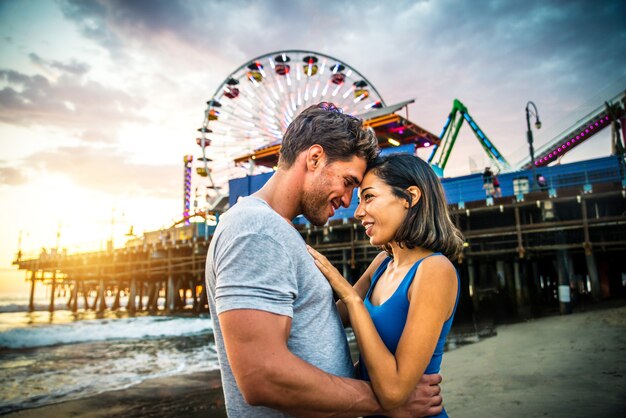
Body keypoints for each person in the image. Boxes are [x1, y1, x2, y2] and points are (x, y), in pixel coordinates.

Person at [205, 103, 444, 417]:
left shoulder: (275, 229)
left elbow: (313, 324)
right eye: (348, 182)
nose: (348, 202)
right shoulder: (257, 231)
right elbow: (262, 376)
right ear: (314, 158)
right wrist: (386, 401)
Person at [308, 153, 464, 417]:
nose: (358, 212)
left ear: (410, 197)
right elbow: (322, 321)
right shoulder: (381, 264)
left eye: (369, 197)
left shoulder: (434, 271)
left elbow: (394, 391)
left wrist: (351, 297)